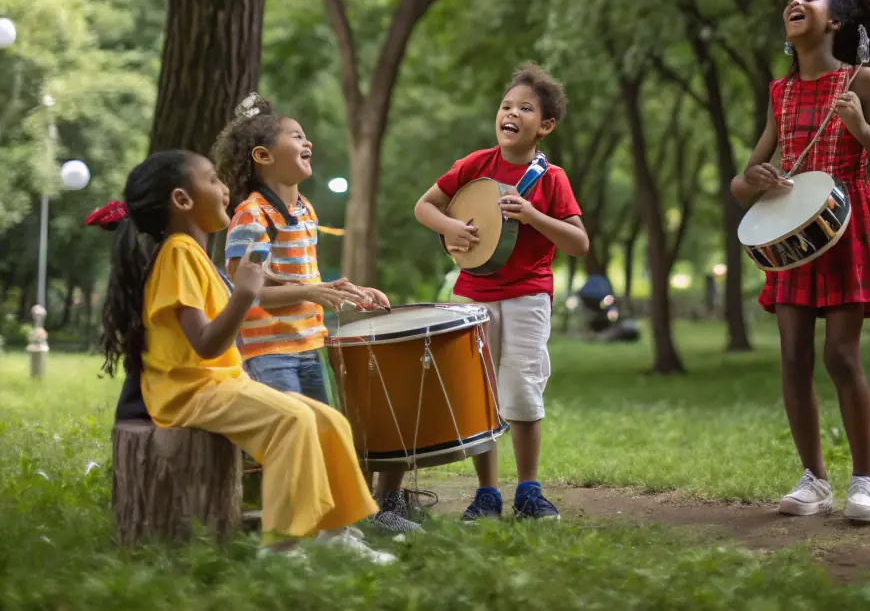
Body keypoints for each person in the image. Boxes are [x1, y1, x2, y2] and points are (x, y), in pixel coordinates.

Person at [98, 147, 391, 560]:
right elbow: (206, 343)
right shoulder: (178, 252)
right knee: (293, 421)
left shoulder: (195, 256)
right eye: (213, 179)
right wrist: (245, 296)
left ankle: (335, 533)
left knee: (328, 420)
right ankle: (282, 549)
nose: (223, 188)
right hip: (189, 392)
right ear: (182, 200)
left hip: (218, 383)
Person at [731, 0, 870, 525]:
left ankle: (864, 480)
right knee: (794, 356)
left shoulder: (862, 79)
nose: (795, 3)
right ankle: (814, 480)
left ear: (835, 22)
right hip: (792, 234)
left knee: (840, 355)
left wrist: (860, 125)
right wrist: (756, 177)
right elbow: (741, 183)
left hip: (845, 222)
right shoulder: (780, 92)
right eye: (791, 0)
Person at [213, 93, 419, 538]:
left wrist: (343, 289)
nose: (307, 143)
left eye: (307, 137)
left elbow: (292, 279)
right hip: (269, 353)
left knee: (324, 438)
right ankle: (293, 536)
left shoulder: (305, 211)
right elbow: (246, 291)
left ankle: (334, 529)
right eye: (296, 136)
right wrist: (314, 291)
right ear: (263, 156)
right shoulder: (251, 214)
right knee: (293, 445)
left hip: (309, 346)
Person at [414, 62, 589, 521]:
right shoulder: (475, 165)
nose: (511, 113)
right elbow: (425, 206)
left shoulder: (551, 179)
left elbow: (579, 243)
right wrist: (452, 227)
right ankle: (487, 492)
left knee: (523, 391)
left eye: (525, 108)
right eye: (506, 105)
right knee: (480, 393)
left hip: (529, 297)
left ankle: (529, 489)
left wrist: (533, 216)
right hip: (473, 295)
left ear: (545, 126)